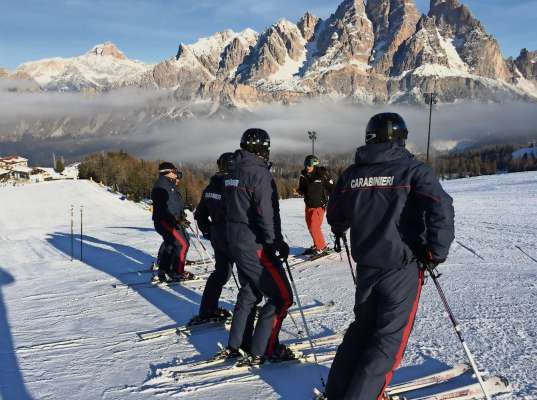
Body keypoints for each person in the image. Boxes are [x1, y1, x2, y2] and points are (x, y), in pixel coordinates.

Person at [324, 113, 455, 399]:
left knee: (362, 330)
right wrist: (435, 252)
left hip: (367, 266)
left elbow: (335, 215)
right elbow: (441, 207)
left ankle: (337, 392)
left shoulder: (351, 174)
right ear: (400, 138)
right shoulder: (414, 171)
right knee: (388, 340)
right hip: (402, 267)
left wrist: (340, 226)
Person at [221, 128, 294, 366]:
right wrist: (275, 242)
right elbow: (266, 212)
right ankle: (264, 348)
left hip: (236, 240)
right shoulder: (258, 174)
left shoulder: (233, 170)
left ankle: (238, 343)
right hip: (254, 244)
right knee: (282, 297)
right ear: (263, 149)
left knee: (251, 291)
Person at [192, 153, 236, 324]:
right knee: (249, 273)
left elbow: (200, 215)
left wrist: (209, 232)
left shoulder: (210, 187)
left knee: (221, 273)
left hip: (218, 236)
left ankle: (207, 309)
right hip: (235, 236)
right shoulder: (233, 186)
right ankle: (247, 309)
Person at [151, 162, 194, 282]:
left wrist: (182, 214)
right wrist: (176, 219)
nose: (176, 173)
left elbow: (173, 203)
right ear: (167, 172)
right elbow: (163, 208)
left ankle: (164, 268)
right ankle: (177, 272)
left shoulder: (169, 184)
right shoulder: (161, 186)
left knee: (171, 244)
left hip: (170, 220)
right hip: (166, 222)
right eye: (174, 171)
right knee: (183, 244)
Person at [297, 155, 334, 256]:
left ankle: (321, 247)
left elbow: (332, 188)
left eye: (309, 164)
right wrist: (298, 192)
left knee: (314, 227)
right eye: (306, 164)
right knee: (310, 227)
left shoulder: (321, 174)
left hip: (319, 206)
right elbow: (302, 189)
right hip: (308, 205)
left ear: (314, 164)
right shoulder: (303, 175)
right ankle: (317, 244)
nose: (307, 167)